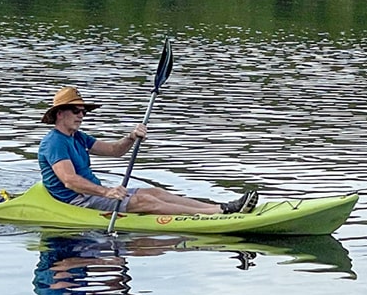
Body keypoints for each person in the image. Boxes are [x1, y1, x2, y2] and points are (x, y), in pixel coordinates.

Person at [38, 86, 258, 215]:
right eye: (76, 111)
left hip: (92, 193)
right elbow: (69, 181)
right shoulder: (54, 142)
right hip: (76, 201)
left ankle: (220, 207)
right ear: (59, 114)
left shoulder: (78, 137)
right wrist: (107, 192)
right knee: (146, 202)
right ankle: (217, 215)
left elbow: (115, 151)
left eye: (84, 111)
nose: (81, 115)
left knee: (154, 192)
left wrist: (131, 137)